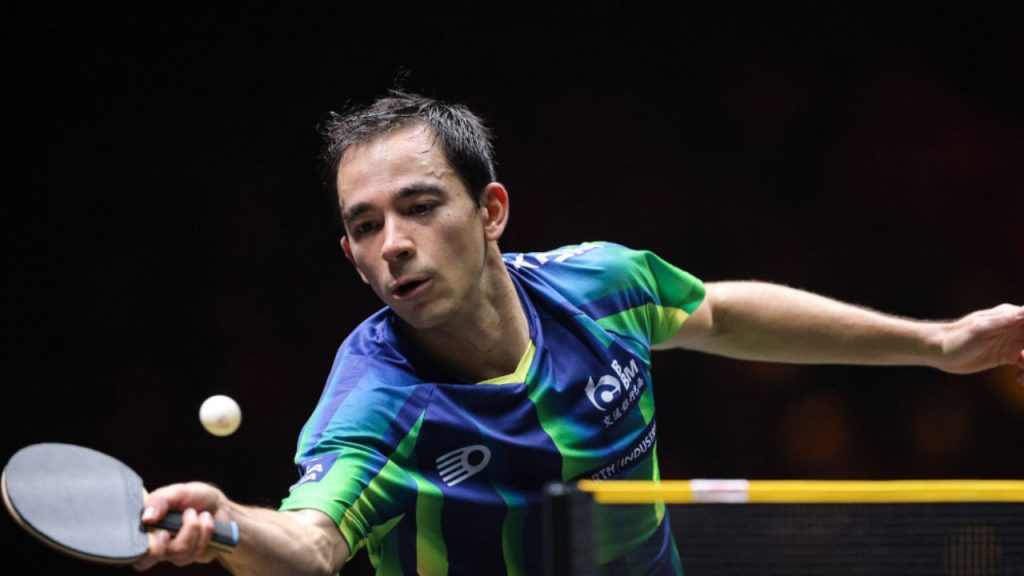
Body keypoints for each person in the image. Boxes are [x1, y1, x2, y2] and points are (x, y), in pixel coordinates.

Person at [133, 91, 1024, 575]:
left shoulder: (598, 286)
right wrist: (230, 526)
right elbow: (315, 542)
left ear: (490, 211)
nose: (393, 244)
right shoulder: (376, 402)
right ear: (351, 254)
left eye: (418, 207)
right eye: (365, 227)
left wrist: (937, 345)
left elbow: (715, 311)